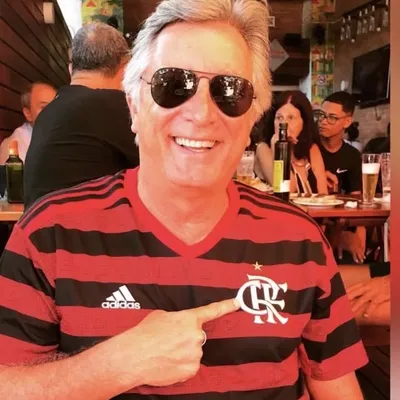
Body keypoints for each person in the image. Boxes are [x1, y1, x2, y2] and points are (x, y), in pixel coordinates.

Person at [0, 1, 367, 399]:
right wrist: (113, 366)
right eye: (172, 84)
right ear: (133, 105)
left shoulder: (299, 240)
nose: (201, 113)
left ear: (251, 119)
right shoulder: (48, 233)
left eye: (230, 91)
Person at [23, 22, 140, 209]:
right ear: (125, 70)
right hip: (80, 225)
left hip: (35, 224)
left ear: (71, 69)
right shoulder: (119, 107)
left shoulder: (47, 113)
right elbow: (161, 170)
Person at [316, 92, 366, 264]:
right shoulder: (310, 149)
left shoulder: (352, 156)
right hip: (315, 220)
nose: (323, 121)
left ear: (347, 121)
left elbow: (357, 198)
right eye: (321, 115)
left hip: (342, 220)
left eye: (332, 117)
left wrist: (359, 237)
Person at [256, 91, 328, 194]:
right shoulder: (263, 149)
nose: (283, 124)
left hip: (314, 205)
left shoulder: (312, 149)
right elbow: (287, 188)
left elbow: (323, 194)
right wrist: (279, 149)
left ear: (304, 122)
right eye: (279, 117)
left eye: (291, 118)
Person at [0, 82, 56, 164]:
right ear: (28, 113)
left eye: (56, 106)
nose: (54, 112)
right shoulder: (14, 150)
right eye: (44, 107)